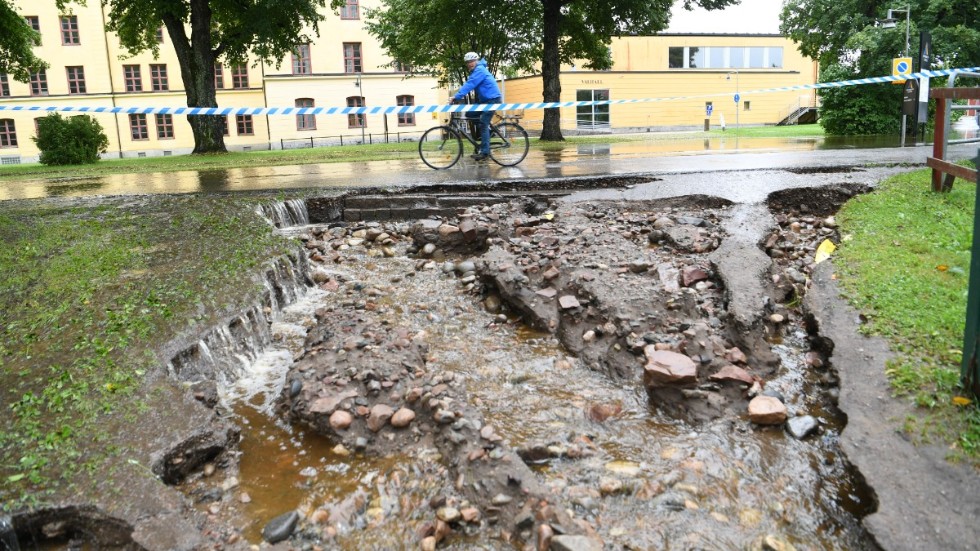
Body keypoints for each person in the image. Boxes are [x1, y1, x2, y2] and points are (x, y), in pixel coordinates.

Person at [450, 52, 502, 161]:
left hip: (492, 99)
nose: (470, 64)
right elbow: (470, 83)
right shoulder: (476, 71)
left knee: (483, 123)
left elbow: (470, 84)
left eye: (472, 61)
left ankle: (485, 152)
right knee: (470, 113)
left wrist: (456, 97)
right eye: (468, 62)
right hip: (485, 101)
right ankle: (487, 131)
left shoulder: (480, 70)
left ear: (476, 61)